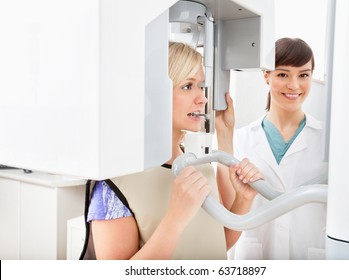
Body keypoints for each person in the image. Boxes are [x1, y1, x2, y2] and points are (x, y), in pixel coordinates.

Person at [79, 41, 262, 260]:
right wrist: (176, 218)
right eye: (187, 86)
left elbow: (217, 243)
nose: (202, 98)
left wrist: (243, 200)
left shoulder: (199, 164)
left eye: (201, 86)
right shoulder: (115, 180)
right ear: (156, 93)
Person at [215, 37, 328, 260]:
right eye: (283, 74)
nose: (294, 85)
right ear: (266, 75)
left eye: (303, 75)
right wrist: (224, 134)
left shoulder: (329, 140)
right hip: (255, 257)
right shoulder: (240, 139)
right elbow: (228, 211)